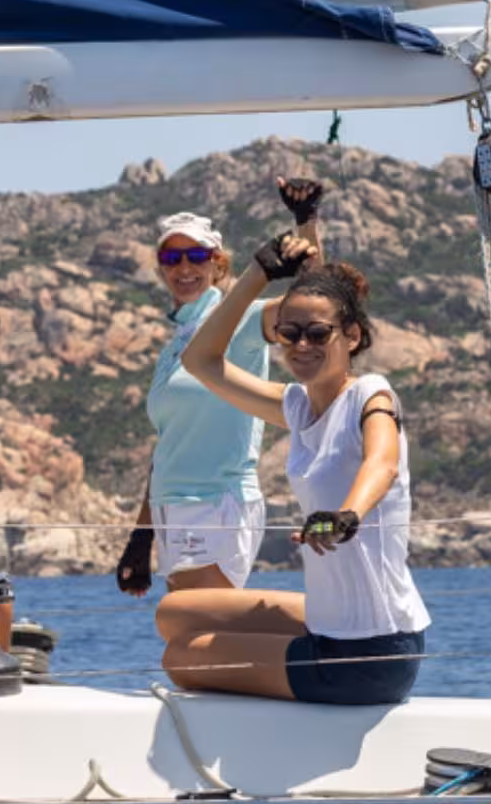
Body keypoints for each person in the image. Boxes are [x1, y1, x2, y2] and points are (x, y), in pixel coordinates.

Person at [153, 234, 430, 705]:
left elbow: (381, 461)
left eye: (318, 334)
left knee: (182, 658)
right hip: (329, 624)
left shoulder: (371, 394)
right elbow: (200, 361)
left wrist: (346, 516)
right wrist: (256, 274)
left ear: (352, 337)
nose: (302, 344)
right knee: (176, 612)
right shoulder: (298, 406)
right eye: (289, 334)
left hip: (370, 653)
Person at [115, 178, 326, 597]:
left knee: (191, 627)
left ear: (218, 264)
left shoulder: (241, 319)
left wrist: (305, 221)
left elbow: (319, 305)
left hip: (217, 505)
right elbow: (167, 447)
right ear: (160, 268)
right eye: (172, 257)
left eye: (196, 255)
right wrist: (142, 535)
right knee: (194, 631)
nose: (184, 267)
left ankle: (323, 630)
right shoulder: (173, 346)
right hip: (172, 510)